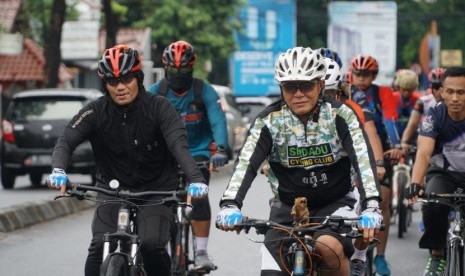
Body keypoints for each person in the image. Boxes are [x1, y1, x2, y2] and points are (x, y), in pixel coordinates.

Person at [216, 46, 383, 276]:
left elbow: (363, 161)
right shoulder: (269, 121)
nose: (298, 93)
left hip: (334, 205)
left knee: (329, 248)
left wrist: (372, 205)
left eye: (306, 85)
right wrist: (230, 203)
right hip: (287, 209)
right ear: (281, 88)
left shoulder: (341, 115)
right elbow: (246, 163)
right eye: (289, 86)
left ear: (321, 85)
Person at [47, 44, 209, 276]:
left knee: (151, 246)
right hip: (111, 190)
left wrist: (195, 179)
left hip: (156, 192)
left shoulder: (159, 107)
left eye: (127, 79)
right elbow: (66, 141)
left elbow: (178, 146)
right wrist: (58, 169)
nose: (120, 87)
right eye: (113, 82)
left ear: (139, 78)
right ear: (105, 85)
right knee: (97, 249)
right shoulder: (94, 111)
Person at [148, 40, 228, 270]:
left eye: (184, 70)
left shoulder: (204, 90)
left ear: (192, 69)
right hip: (166, 157)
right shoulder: (156, 93)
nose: (178, 75)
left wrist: (221, 148)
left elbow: (217, 118)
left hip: (198, 155)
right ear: (166, 69)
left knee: (200, 198)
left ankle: (201, 252)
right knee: (159, 202)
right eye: (174, 70)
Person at [322, 56, 387, 275]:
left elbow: (370, 133)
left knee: (363, 205)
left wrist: (377, 163)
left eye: (329, 94)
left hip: (350, 169)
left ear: (338, 90)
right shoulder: (296, 112)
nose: (323, 100)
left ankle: (359, 257)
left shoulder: (350, 110)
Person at [407, 66, 465, 276]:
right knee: (433, 204)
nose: (455, 97)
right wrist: (415, 182)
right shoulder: (435, 115)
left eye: (462, 92)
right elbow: (423, 152)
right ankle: (437, 253)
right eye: (450, 91)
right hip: (443, 174)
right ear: (441, 91)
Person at [349, 54, 403, 276]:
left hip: (380, 149)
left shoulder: (383, 93)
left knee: (384, 198)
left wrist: (397, 145)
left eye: (367, 75)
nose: (361, 79)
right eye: (358, 74)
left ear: (374, 76)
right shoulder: (346, 91)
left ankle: (380, 256)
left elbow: (390, 120)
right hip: (352, 150)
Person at [401, 68, 445, 154]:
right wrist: (404, 142)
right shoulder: (423, 101)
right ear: (431, 87)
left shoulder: (455, 102)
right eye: (436, 87)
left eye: (442, 87)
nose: (439, 92)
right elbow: (413, 124)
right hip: (426, 141)